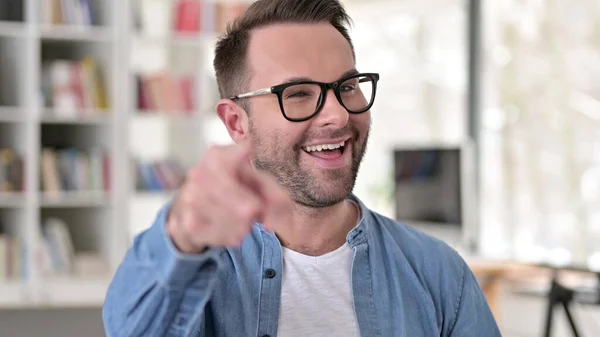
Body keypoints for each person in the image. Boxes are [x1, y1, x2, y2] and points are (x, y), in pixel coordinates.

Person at [103, 0, 501, 336]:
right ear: (236, 123)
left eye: (347, 86)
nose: (337, 114)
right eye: (297, 93)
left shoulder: (440, 274)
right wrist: (182, 231)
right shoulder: (193, 267)